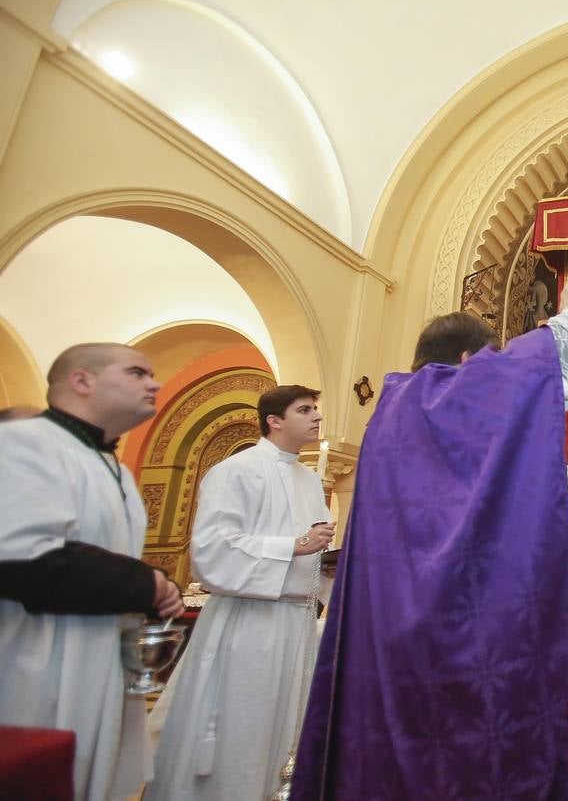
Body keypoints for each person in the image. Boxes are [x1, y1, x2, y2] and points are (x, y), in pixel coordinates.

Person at [292, 265, 568, 800]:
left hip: (387, 630)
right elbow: (561, 371)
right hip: (463, 637)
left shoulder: (388, 409)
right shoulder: (447, 396)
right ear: (467, 364)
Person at [0, 343, 185, 800]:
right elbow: (21, 559)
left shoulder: (113, 468)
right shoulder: (22, 443)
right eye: (138, 373)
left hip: (101, 660)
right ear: (82, 381)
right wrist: (147, 583)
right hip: (38, 659)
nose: (155, 383)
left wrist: (158, 588)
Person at [145, 385, 334, 800]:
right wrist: (291, 545)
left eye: (316, 410)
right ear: (274, 420)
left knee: (288, 728)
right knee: (242, 723)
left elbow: (314, 555)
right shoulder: (236, 471)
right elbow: (212, 550)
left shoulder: (310, 480)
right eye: (305, 410)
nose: (317, 417)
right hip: (248, 621)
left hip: (298, 623)